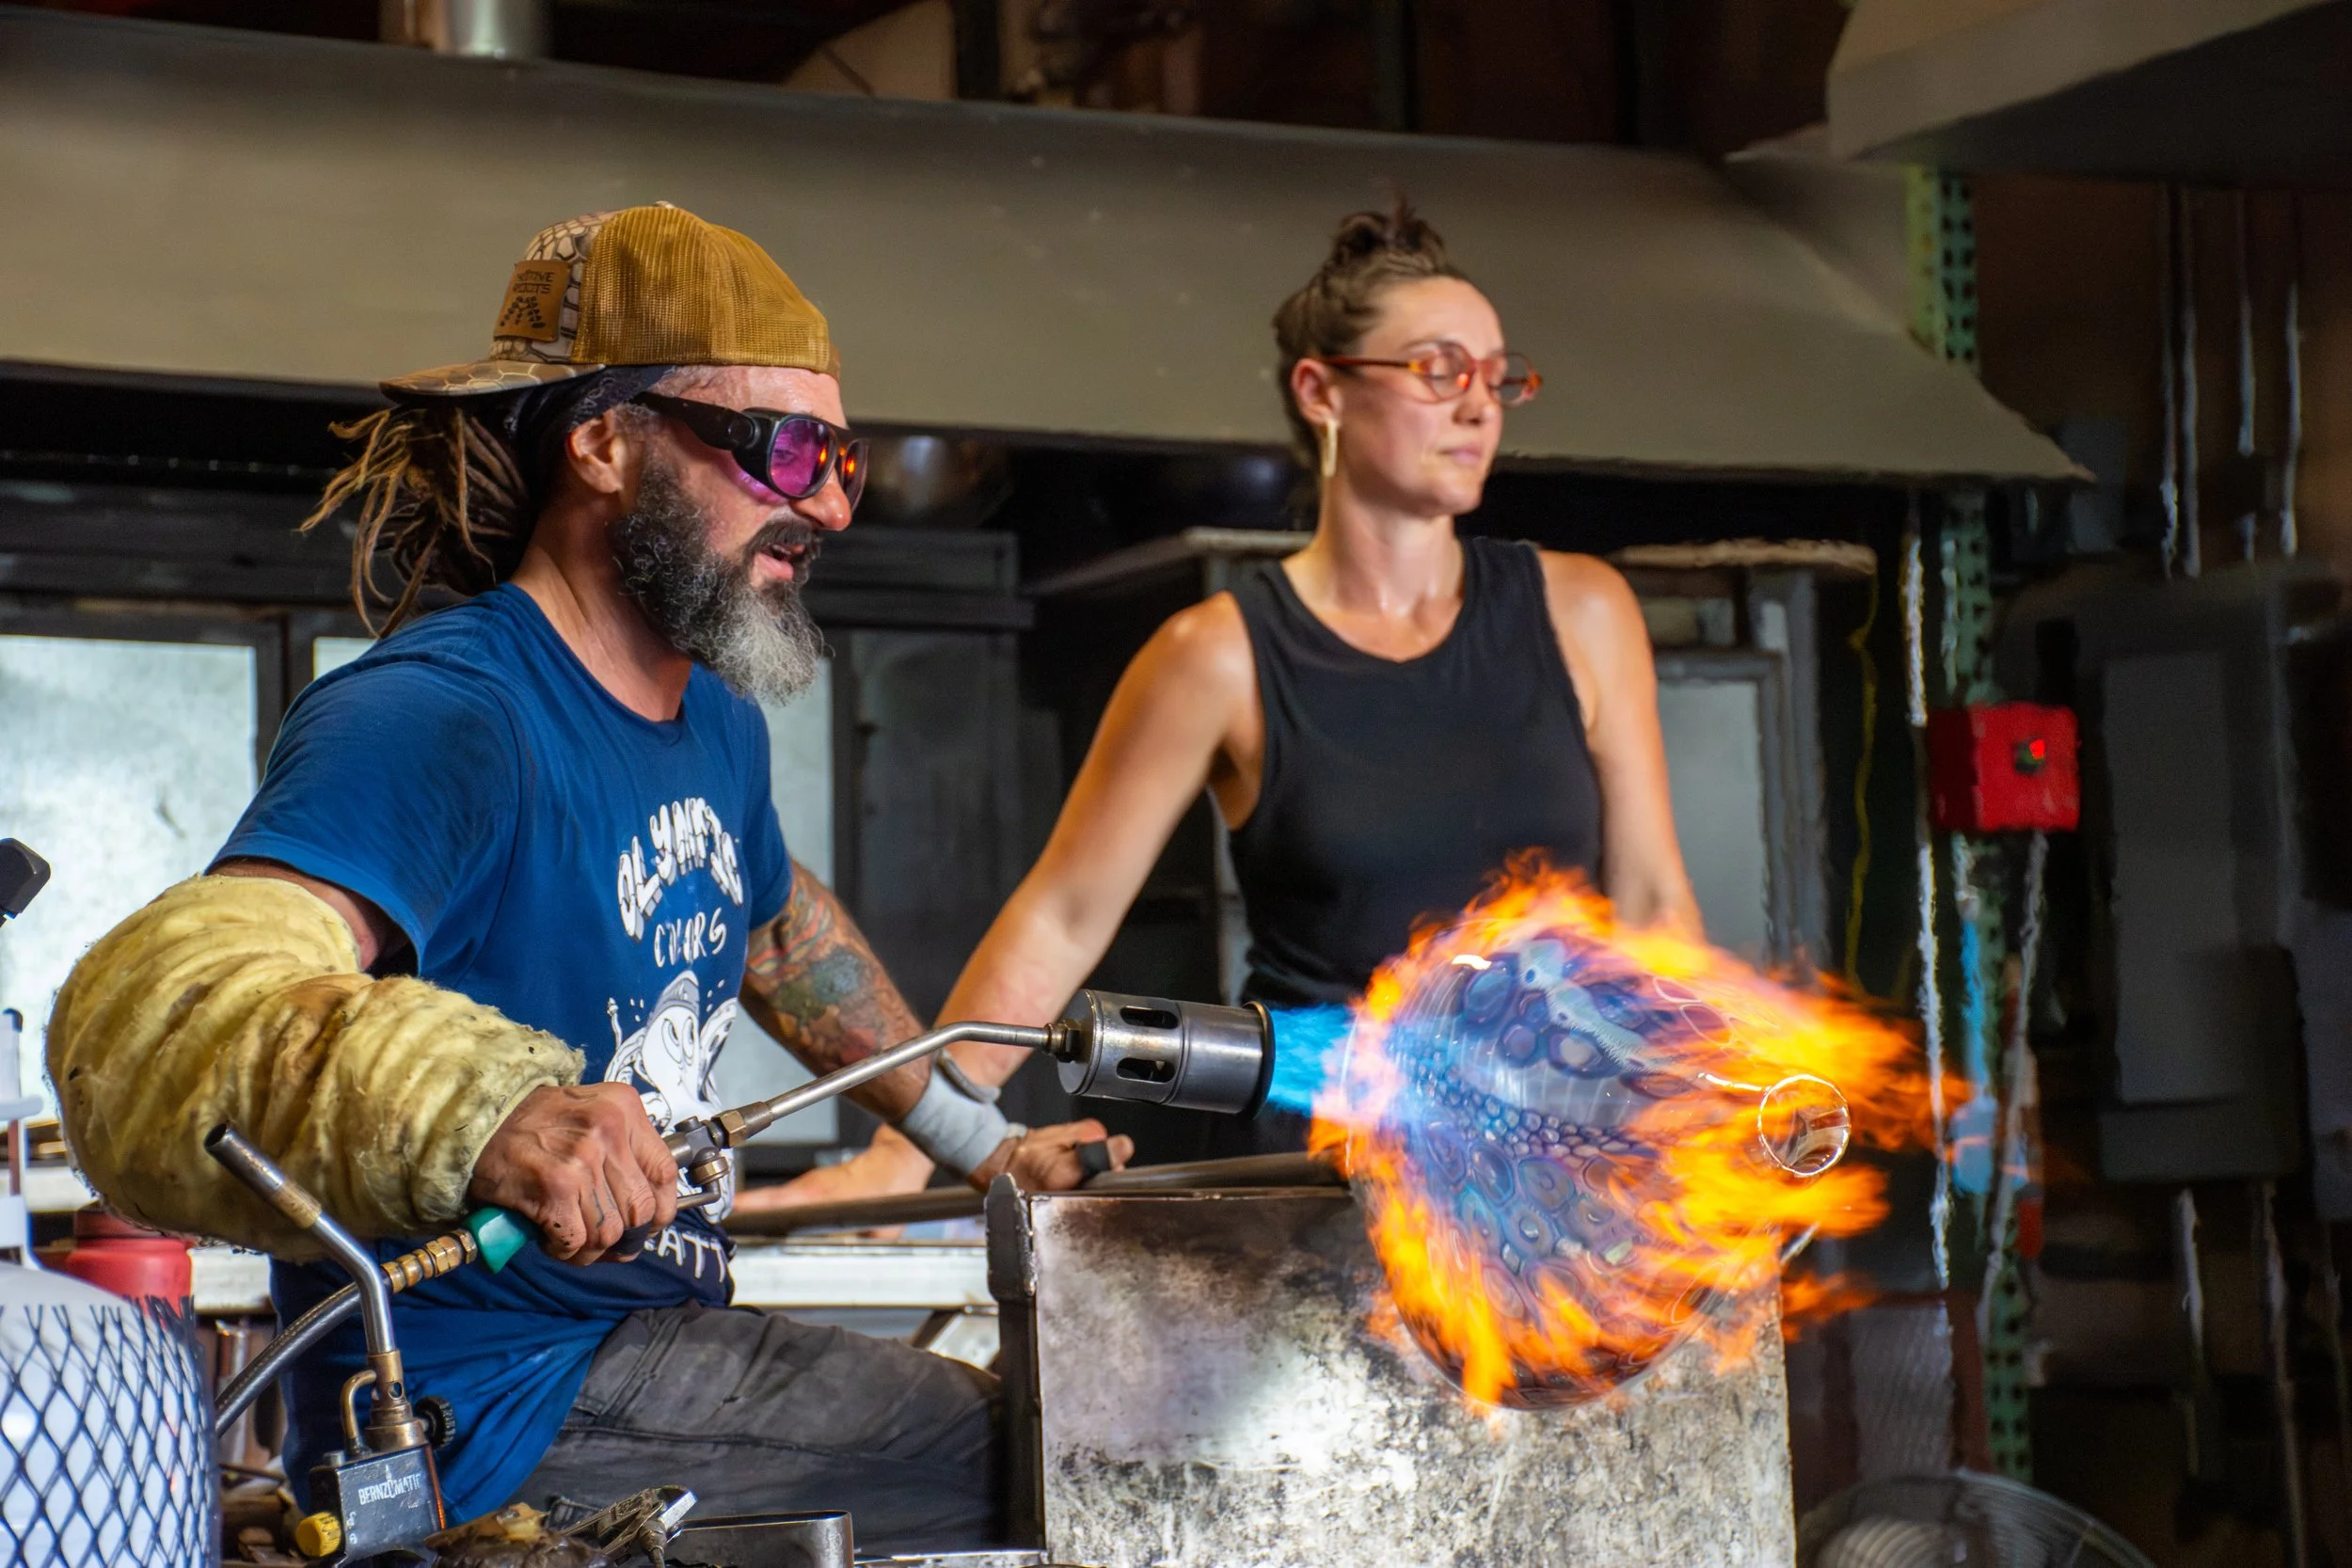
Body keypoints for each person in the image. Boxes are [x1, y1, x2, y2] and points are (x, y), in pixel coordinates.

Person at [45, 204, 1124, 1547]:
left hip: (647, 1341)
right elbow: (158, 1009)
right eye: (783, 447)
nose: (831, 501)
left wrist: (982, 1142)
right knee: (1075, 1458)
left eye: (842, 458)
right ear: (604, 441)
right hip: (486, 1405)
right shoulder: (449, 713)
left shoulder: (713, 716)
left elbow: (775, 924)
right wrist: (480, 1104)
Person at [759, 198, 1702, 1196]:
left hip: (1553, 1163)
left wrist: (1695, 1111)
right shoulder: (1216, 656)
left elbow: (1652, 905)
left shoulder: (1584, 612)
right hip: (1322, 1173)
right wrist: (909, 1150)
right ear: (1321, 391)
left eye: (1496, 375)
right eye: (1437, 369)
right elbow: (1064, 915)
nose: (1479, 403)